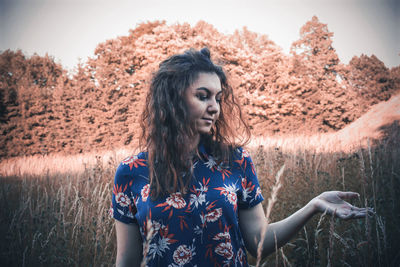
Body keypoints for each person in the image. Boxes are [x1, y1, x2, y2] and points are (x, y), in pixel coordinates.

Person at [111, 48, 371, 267]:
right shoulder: (131, 172)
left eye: (218, 98)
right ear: (171, 100)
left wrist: (312, 206)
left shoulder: (235, 160)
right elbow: (127, 258)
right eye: (202, 96)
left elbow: (258, 242)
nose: (214, 107)